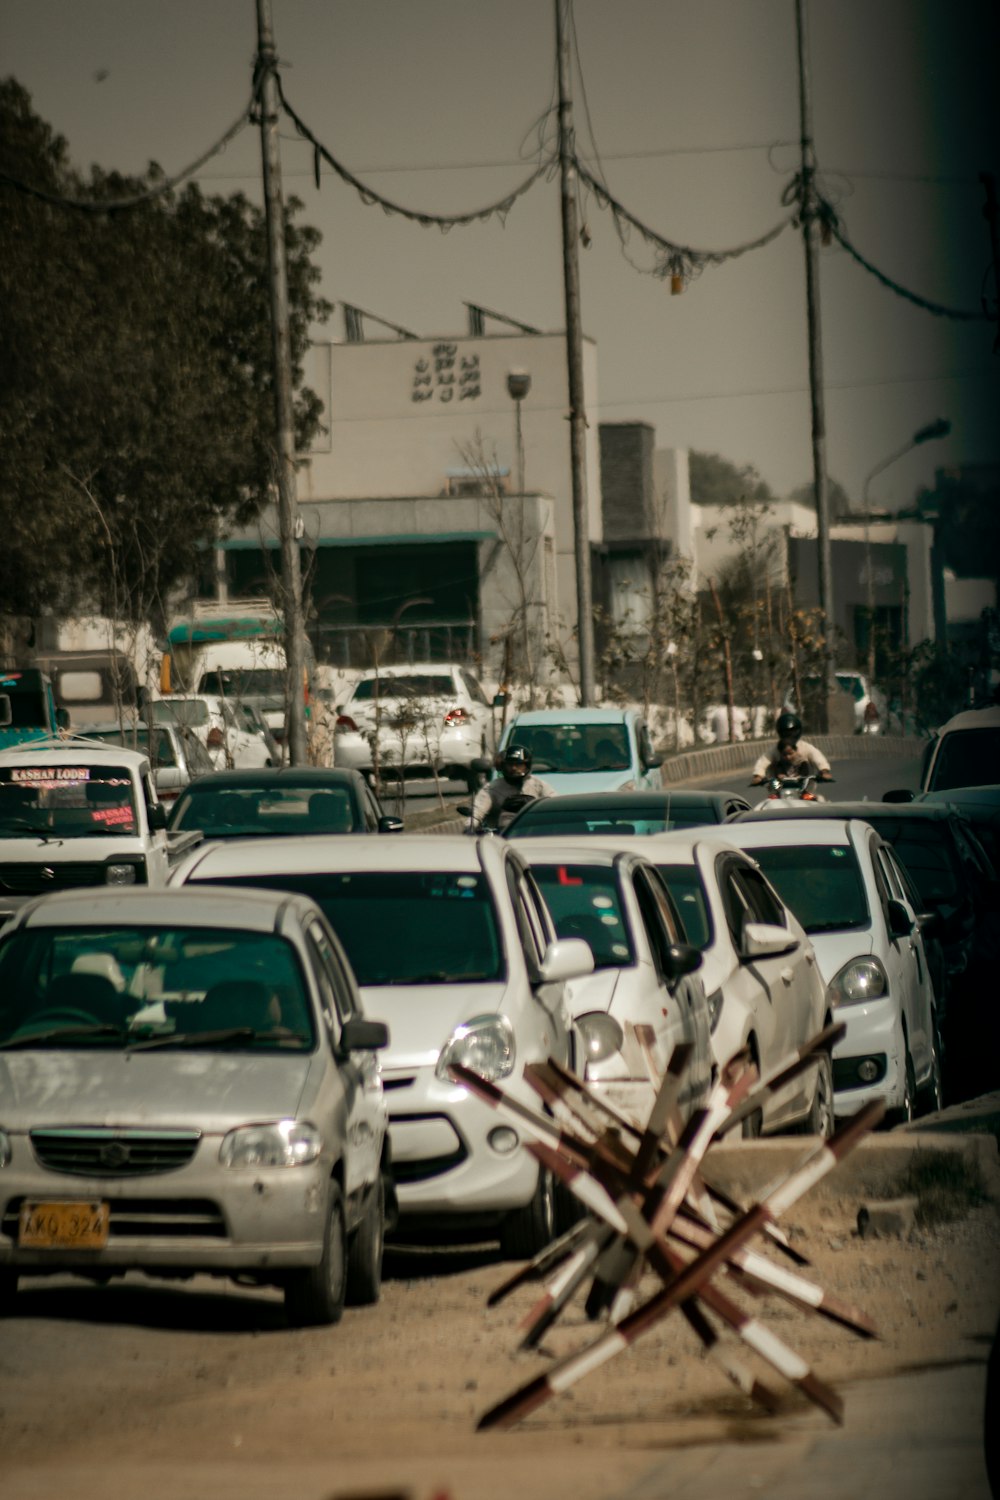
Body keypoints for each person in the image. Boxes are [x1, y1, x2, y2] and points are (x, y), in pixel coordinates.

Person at [470, 744, 554, 830]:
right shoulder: (492, 788)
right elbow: (477, 812)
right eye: (510, 765)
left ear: (527, 766)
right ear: (503, 766)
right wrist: (470, 825)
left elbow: (555, 807)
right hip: (500, 837)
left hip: (534, 834)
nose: (514, 768)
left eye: (519, 765)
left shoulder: (539, 785)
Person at [750, 710, 832, 785]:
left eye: (792, 732)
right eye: (785, 732)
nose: (789, 735)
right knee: (770, 801)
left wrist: (824, 771)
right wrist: (758, 776)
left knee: (818, 800)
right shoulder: (776, 749)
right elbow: (763, 761)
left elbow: (817, 757)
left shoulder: (806, 747)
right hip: (779, 787)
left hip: (805, 786)